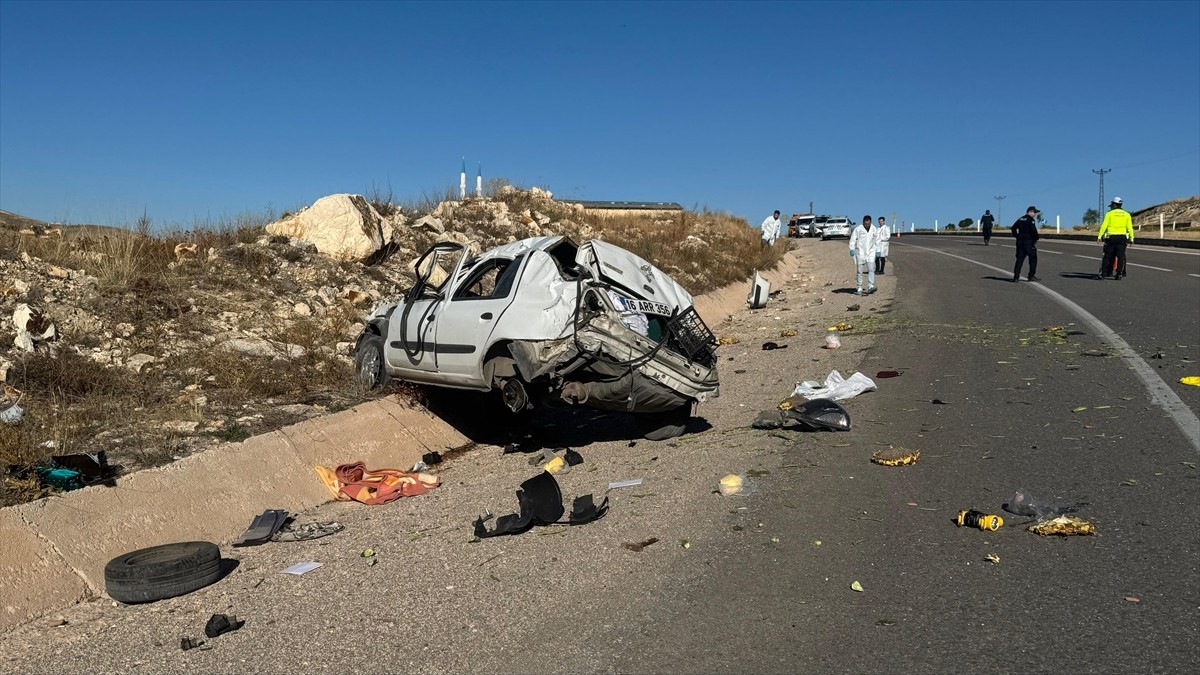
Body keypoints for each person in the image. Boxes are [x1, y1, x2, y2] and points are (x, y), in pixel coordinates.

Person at [1098, 197, 1134, 279]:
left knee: (1107, 256)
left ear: (1114, 204)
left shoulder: (1109, 213)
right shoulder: (1126, 214)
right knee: (1120, 256)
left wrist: (1100, 236)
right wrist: (1132, 239)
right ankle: (1119, 274)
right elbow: (1130, 228)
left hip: (1111, 237)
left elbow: (1104, 226)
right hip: (1122, 237)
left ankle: (1103, 274)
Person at [849, 215, 880, 295]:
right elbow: (853, 239)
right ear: (863, 222)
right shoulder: (858, 229)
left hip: (871, 252)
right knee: (860, 271)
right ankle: (859, 287)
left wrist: (878, 250)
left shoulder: (874, 229)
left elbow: (877, 241)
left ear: (870, 222)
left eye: (868, 223)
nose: (866, 224)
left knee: (871, 269)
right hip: (861, 252)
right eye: (865, 223)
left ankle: (870, 286)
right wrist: (852, 249)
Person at [1011, 205, 1041, 282]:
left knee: (1019, 259)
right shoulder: (1030, 220)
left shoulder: (1020, 219)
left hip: (1020, 242)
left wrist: (1017, 236)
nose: (1035, 214)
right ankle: (1031, 275)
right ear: (1030, 212)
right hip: (1028, 242)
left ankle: (1016, 277)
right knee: (1033, 259)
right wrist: (1036, 238)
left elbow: (1013, 228)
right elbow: (1033, 230)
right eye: (1034, 212)